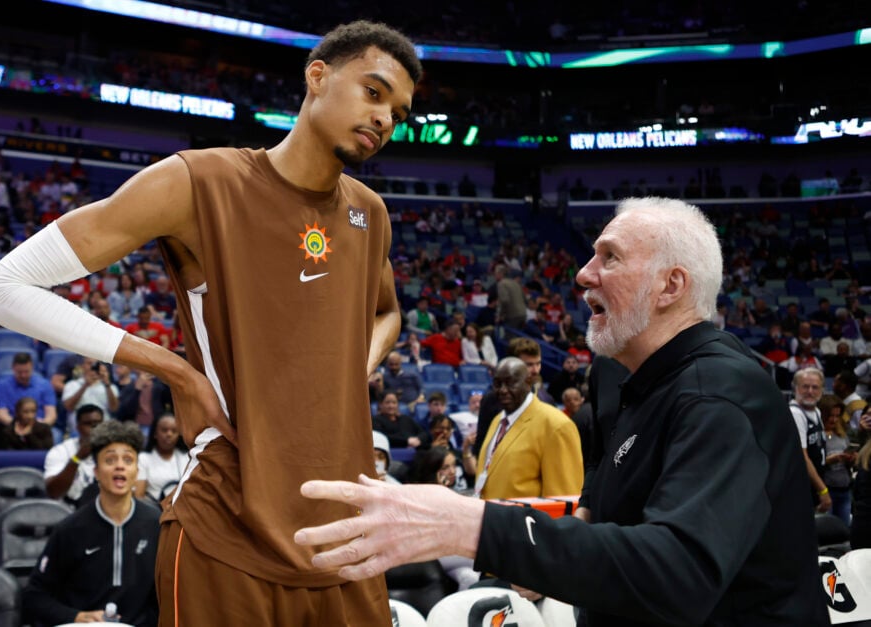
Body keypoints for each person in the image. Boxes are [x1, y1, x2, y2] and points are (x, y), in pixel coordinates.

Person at [0, 20, 421, 624]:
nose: (384, 120)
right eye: (374, 92)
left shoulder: (370, 212)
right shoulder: (197, 181)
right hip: (229, 525)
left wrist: (350, 368)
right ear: (317, 76)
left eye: (398, 112)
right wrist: (175, 371)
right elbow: (0, 289)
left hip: (346, 533)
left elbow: (388, 311)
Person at [296, 197, 829, 626]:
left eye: (610, 257)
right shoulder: (616, 372)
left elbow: (679, 574)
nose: (582, 273)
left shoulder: (721, 393)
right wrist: (571, 534)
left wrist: (473, 526)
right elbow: (604, 477)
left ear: (671, 285)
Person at [23, 420, 159, 626]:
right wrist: (76, 617)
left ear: (136, 472)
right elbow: (35, 596)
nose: (120, 465)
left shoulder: (155, 524)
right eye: (110, 460)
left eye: (128, 460)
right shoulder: (70, 529)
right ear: (96, 472)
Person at [474, 357, 583, 500]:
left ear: (528, 382)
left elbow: (564, 499)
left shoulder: (556, 425)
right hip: (491, 518)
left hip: (525, 521)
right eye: (497, 384)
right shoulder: (498, 420)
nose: (503, 390)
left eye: (511, 383)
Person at [789, 367, 833, 513]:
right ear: (795, 388)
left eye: (815, 387)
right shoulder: (796, 413)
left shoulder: (816, 411)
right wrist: (823, 490)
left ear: (822, 389)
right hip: (799, 489)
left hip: (813, 487)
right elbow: (802, 456)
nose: (810, 391)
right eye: (805, 386)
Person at [43, 404, 103, 506]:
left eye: (97, 424)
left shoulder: (114, 452)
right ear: (78, 427)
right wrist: (77, 458)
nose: (94, 429)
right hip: (70, 511)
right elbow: (54, 493)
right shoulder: (60, 451)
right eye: (88, 424)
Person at [135, 413, 189, 503]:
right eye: (164, 430)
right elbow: (139, 496)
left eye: (174, 431)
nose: (169, 434)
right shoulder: (143, 459)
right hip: (155, 511)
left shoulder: (187, 457)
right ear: (155, 433)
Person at [0, 352, 56, 427]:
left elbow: (51, 414)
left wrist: (40, 426)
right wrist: (18, 426)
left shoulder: (45, 384)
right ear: (13, 368)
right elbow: (1, 413)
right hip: (12, 427)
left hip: (39, 426)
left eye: (26, 372)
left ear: (32, 368)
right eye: (20, 372)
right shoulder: (2, 385)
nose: (23, 375)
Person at [818, 394, 853, 525]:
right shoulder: (817, 436)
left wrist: (851, 458)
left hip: (844, 489)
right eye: (830, 416)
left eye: (837, 416)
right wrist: (829, 461)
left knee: (845, 530)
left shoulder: (842, 434)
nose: (833, 420)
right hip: (827, 490)